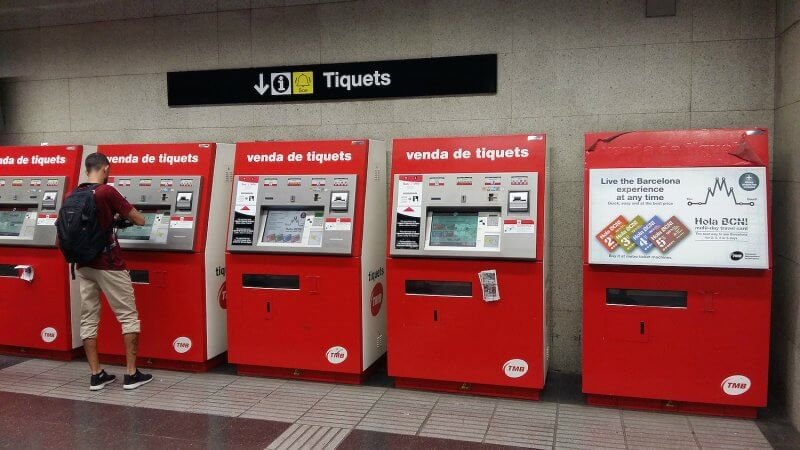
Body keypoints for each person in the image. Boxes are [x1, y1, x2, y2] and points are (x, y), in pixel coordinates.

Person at [74, 152, 153, 391]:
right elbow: (139, 220)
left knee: (88, 319)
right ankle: (131, 374)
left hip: (83, 264)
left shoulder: (75, 193)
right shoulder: (107, 191)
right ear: (106, 169)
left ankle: (96, 375)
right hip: (109, 264)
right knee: (128, 316)